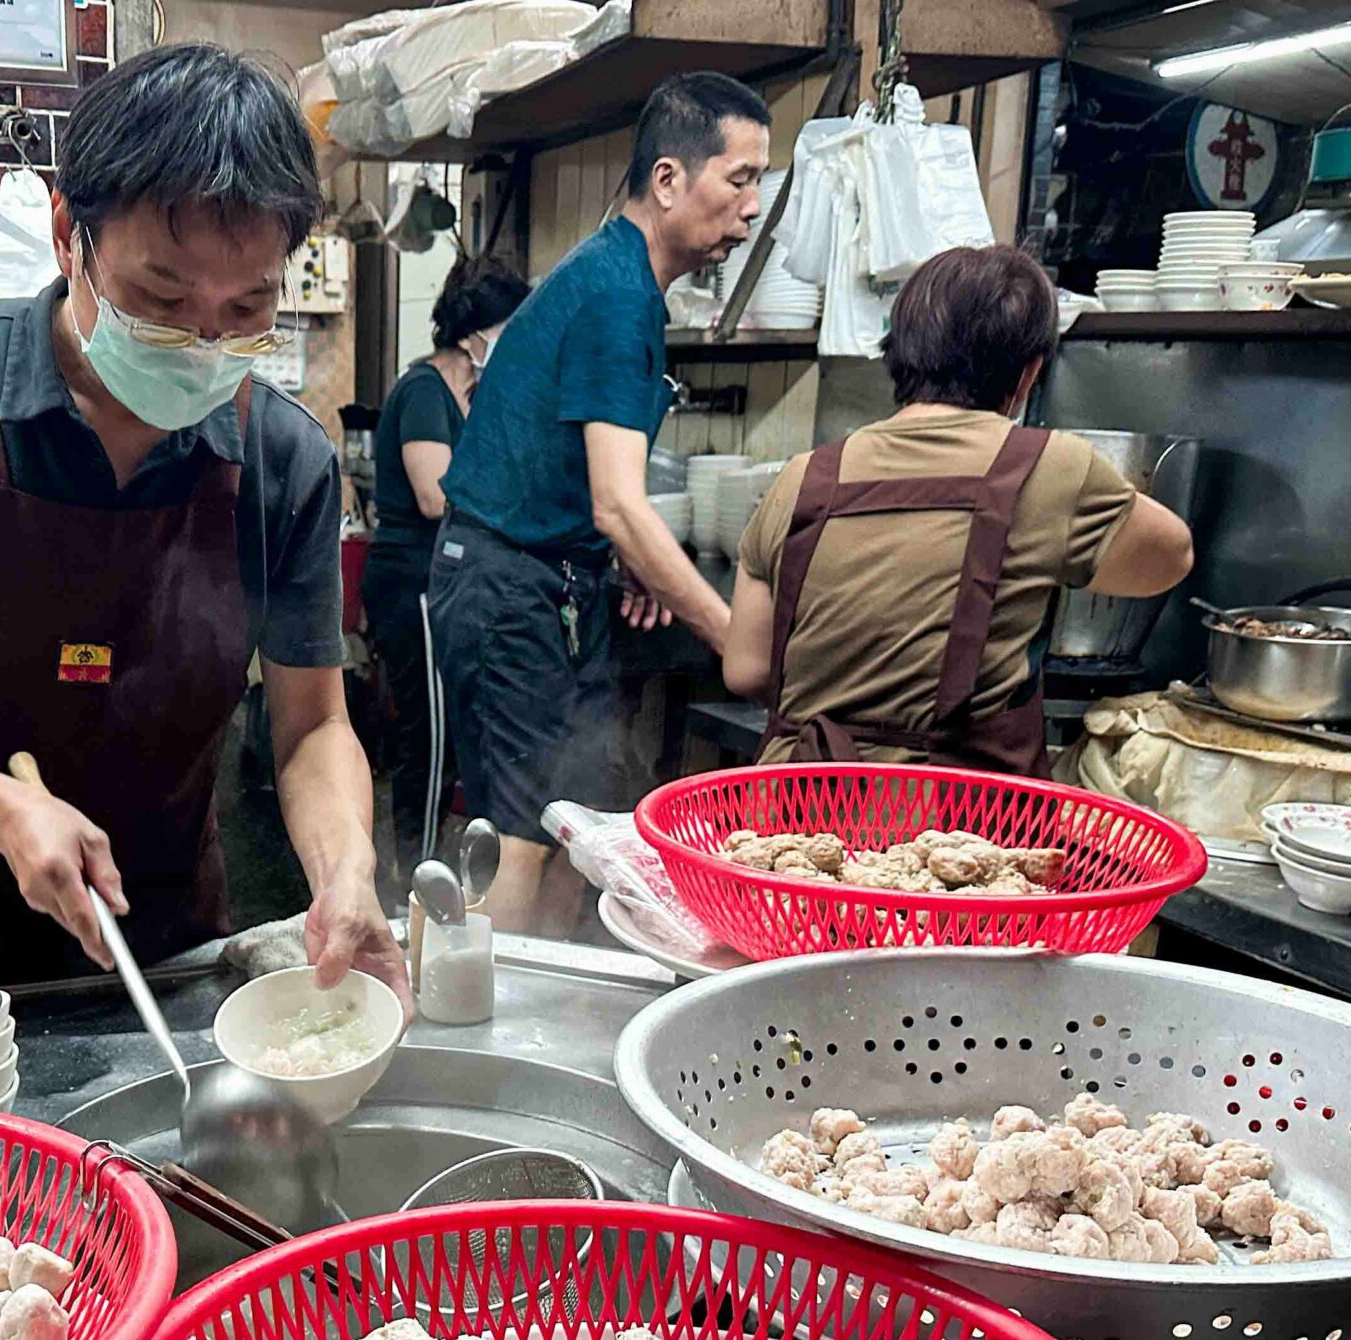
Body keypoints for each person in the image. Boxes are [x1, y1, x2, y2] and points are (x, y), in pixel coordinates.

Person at [0, 45, 406, 1001]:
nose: (203, 341)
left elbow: (312, 724)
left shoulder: (284, 462)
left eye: (248, 305)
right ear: (70, 233)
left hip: (163, 957)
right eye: (161, 297)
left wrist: (347, 867)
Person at [427, 72, 770, 936]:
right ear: (667, 180)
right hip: (510, 591)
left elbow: (589, 492)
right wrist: (736, 638)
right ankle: (481, 1050)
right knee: (523, 841)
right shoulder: (618, 294)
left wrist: (621, 561)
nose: (753, 206)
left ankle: (536, 1025)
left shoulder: (622, 283)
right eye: (739, 180)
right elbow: (621, 504)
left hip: (543, 583)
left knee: (569, 830)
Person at [723, 245, 1195, 773]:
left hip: (790, 820)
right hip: (958, 827)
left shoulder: (803, 477)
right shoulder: (1049, 467)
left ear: (896, 354)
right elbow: (1172, 556)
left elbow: (744, 669)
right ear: (1028, 373)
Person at [358, 254, 528, 885]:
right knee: (428, 739)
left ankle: (427, 872)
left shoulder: (465, 392)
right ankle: (412, 887)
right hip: (413, 584)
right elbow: (435, 495)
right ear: (480, 328)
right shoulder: (425, 390)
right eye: (512, 327)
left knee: (448, 736)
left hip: (441, 583)